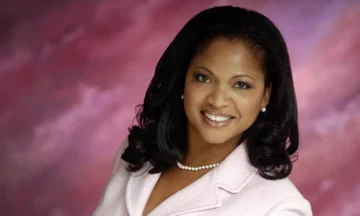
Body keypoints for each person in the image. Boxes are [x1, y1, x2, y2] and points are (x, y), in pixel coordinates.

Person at [93, 5, 313, 216]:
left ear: (266, 95)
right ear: (183, 80)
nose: (217, 101)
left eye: (241, 85)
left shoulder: (279, 208)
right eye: (204, 78)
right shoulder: (135, 153)